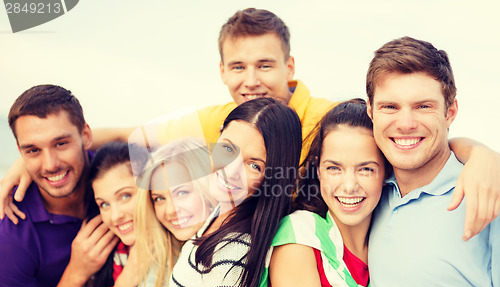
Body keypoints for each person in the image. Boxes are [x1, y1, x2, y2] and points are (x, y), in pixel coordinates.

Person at [2, 8, 499, 238]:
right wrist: (41, 160)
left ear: (291, 68)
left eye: (265, 65)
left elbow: (405, 137)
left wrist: (480, 155)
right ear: (221, 72)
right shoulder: (220, 120)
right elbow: (128, 135)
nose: (252, 80)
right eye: (238, 67)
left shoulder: (329, 116)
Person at [366, 37, 500, 287]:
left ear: (450, 111)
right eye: (390, 106)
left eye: (423, 106)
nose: (405, 123)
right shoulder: (370, 194)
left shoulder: (487, 194)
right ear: (371, 112)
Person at [249, 99, 387, 287]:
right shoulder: (299, 237)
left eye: (366, 169)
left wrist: (472, 152)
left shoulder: (388, 241)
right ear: (318, 171)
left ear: (387, 171)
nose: (349, 186)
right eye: (334, 168)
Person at [168, 97, 302, 287]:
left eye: (254, 165)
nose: (230, 171)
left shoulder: (232, 251)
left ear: (272, 175)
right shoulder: (221, 214)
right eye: (228, 149)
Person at [0, 85, 118, 287]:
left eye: (61, 143)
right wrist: (77, 272)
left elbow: (204, 150)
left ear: (86, 136)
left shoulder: (117, 177)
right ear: (21, 152)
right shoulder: (10, 231)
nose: (50, 164)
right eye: (33, 150)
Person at [122, 138, 216, 287]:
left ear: (207, 189)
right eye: (159, 199)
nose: (170, 210)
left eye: (182, 192)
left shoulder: (239, 251)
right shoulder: (158, 269)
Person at [79, 141, 147, 287]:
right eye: (104, 204)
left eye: (125, 196)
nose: (115, 216)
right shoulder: (115, 254)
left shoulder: (180, 240)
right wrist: (128, 279)